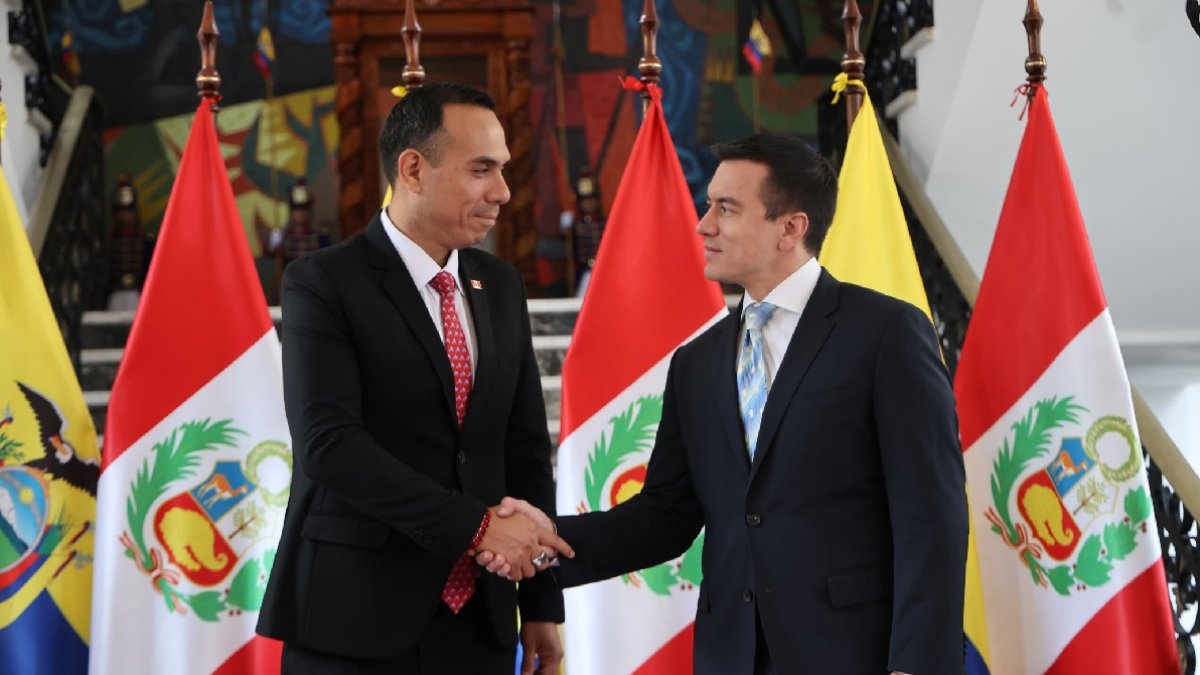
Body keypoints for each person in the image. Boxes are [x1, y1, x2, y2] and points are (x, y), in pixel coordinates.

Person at [484, 134, 968, 674]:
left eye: (727, 208)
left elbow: (932, 515)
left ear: (791, 227)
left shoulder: (886, 333)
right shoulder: (697, 362)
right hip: (731, 655)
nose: (703, 225)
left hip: (855, 654)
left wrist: (918, 664)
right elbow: (665, 516)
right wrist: (547, 540)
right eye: (708, 204)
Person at [257, 82, 573, 675]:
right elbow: (329, 445)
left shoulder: (500, 284)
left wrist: (540, 603)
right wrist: (477, 527)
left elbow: (524, 449)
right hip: (354, 618)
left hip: (479, 622)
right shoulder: (323, 282)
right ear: (413, 170)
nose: (502, 192)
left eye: (503, 169)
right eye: (481, 169)